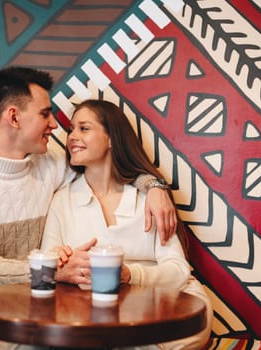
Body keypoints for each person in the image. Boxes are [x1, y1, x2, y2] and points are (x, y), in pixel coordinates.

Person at [0, 67, 177, 349]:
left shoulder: (52, 165)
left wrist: (154, 186)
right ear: (13, 117)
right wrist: (51, 273)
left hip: (40, 316)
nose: (55, 125)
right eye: (45, 114)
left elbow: (108, 165)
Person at [41, 99, 213, 349]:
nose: (72, 137)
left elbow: (178, 270)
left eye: (84, 128)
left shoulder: (149, 199)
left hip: (167, 303)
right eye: (71, 130)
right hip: (98, 312)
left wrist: (130, 275)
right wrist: (60, 264)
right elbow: (48, 263)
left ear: (111, 139)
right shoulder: (62, 201)